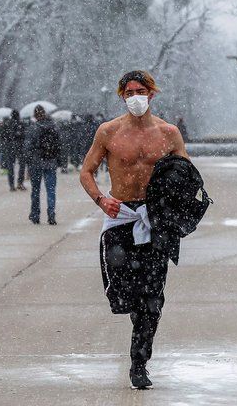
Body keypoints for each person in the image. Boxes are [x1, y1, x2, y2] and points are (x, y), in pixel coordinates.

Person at [79, 70, 188, 390]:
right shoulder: (108, 131)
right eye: (129, 93)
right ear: (122, 96)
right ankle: (137, 317)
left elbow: (185, 173)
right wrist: (101, 199)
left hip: (155, 220)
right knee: (123, 292)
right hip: (121, 216)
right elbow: (86, 171)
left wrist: (175, 204)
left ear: (152, 94)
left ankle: (139, 361)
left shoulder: (168, 133)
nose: (135, 97)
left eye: (140, 91)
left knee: (152, 298)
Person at [24, 105, 60, 225]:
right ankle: (51, 214)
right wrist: (59, 161)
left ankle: (35, 215)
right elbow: (59, 146)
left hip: (36, 163)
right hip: (50, 162)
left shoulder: (33, 128)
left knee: (35, 190)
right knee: (51, 190)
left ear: (35, 115)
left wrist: (28, 163)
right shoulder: (54, 127)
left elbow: (27, 148)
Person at [1, 110, 27, 191]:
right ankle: (20, 183)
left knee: (10, 167)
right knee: (22, 165)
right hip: (20, 147)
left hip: (10, 147)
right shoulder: (21, 124)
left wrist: (6, 144)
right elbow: (25, 135)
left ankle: (11, 185)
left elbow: (2, 136)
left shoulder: (7, 124)